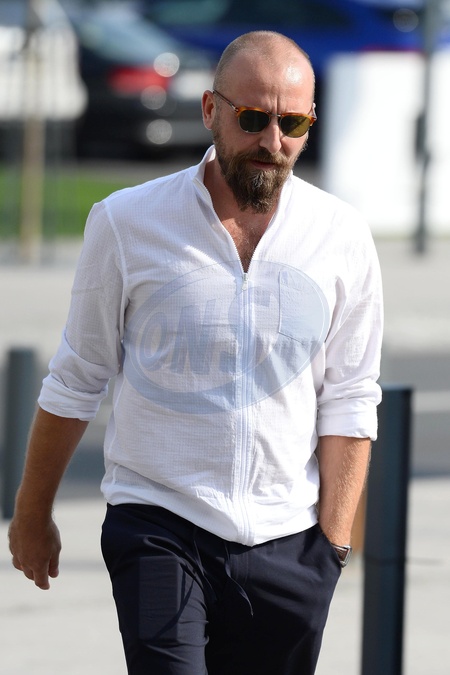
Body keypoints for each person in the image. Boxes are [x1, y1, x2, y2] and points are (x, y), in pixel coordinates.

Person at [8, 30, 383, 675]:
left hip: (289, 542)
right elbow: (76, 378)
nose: (273, 141)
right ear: (211, 110)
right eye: (253, 118)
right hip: (160, 520)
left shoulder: (341, 235)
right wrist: (31, 511)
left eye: (292, 123)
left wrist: (333, 544)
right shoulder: (127, 222)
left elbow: (350, 395)